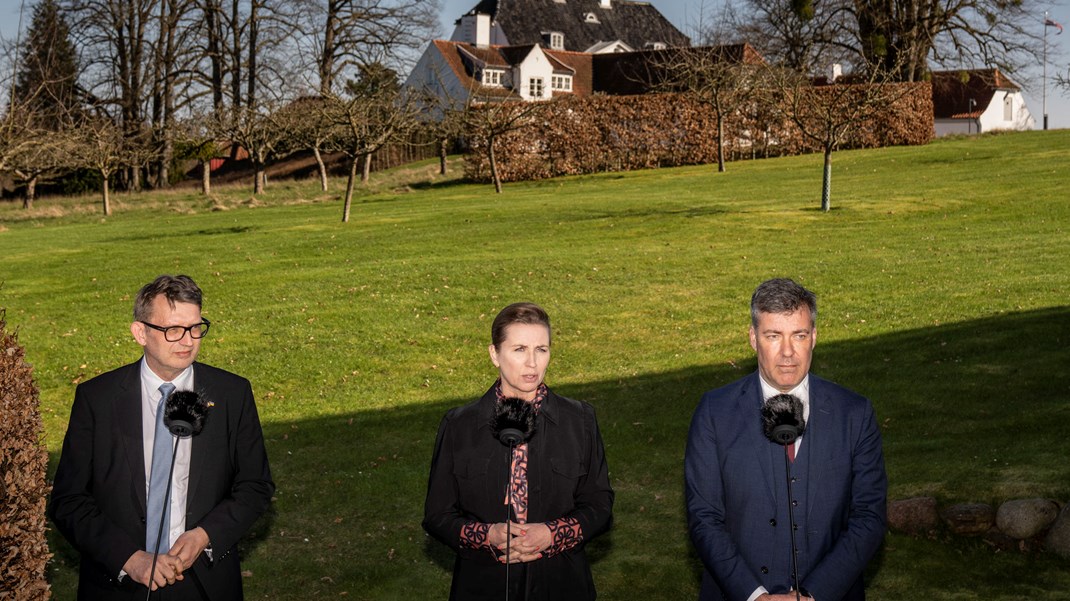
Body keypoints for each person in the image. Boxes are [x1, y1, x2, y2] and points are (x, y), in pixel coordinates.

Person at [50, 275, 275, 600]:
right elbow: (69, 500)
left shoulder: (231, 394)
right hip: (118, 584)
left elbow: (255, 485)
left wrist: (204, 536)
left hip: (204, 584)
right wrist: (130, 559)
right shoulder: (97, 398)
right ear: (140, 332)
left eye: (196, 328)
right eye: (173, 330)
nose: (187, 341)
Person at [685, 278, 887, 601]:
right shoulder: (714, 413)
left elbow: (869, 517)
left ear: (814, 338)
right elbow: (704, 519)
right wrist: (755, 596)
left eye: (799, 335)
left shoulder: (855, 414)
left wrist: (814, 595)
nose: (788, 352)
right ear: (753, 339)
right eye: (773, 336)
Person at [423, 302, 614, 601]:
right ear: (494, 355)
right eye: (519, 349)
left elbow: (600, 507)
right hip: (483, 586)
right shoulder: (459, 425)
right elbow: (437, 515)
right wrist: (488, 536)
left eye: (542, 349)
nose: (532, 364)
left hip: (562, 584)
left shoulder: (580, 421)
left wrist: (552, 534)